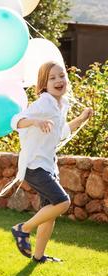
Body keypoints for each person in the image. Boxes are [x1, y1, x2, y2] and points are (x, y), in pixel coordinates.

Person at [10, 61, 93, 263]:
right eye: (52, 78)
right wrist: (35, 121)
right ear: (44, 84)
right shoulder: (44, 103)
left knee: (50, 213)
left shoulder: (60, 105)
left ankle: (38, 257)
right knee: (63, 202)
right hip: (34, 165)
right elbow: (16, 121)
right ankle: (23, 229)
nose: (59, 81)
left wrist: (81, 118)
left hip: (47, 165)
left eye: (62, 76)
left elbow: (62, 132)